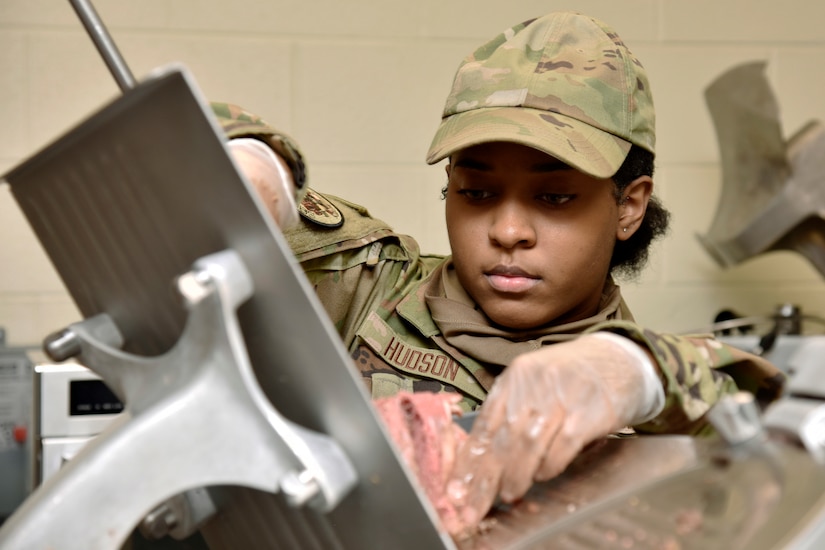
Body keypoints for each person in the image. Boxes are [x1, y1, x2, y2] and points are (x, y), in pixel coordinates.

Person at [215, 11, 785, 536]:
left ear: (629, 207)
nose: (508, 230)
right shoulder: (367, 289)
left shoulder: (648, 401)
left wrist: (639, 370)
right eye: (477, 192)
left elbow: (781, 430)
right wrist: (253, 160)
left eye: (556, 197)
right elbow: (180, 149)